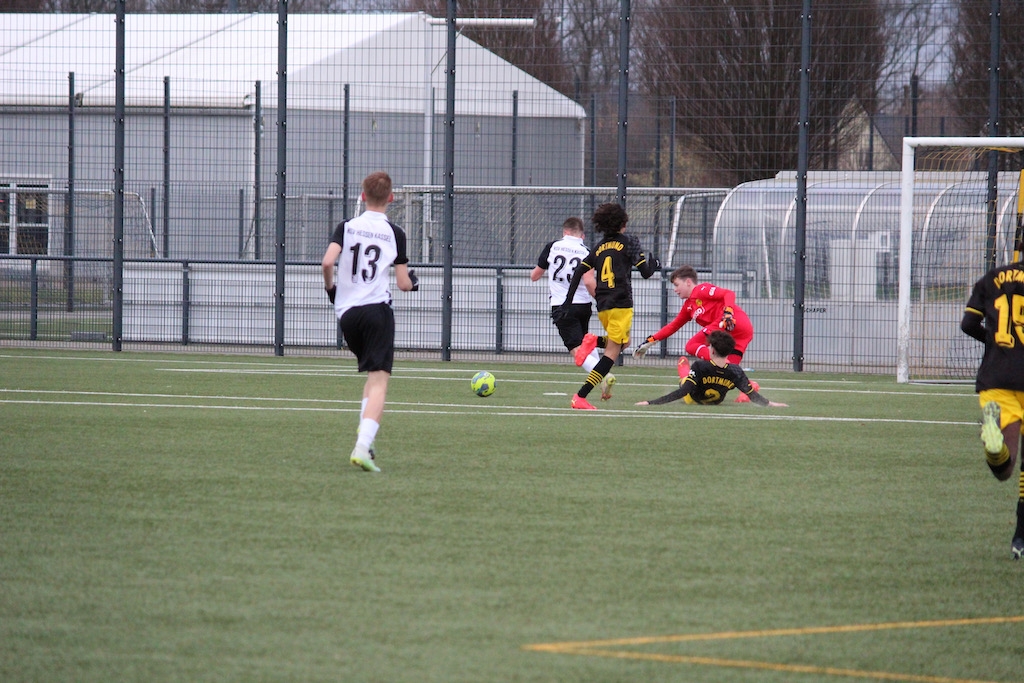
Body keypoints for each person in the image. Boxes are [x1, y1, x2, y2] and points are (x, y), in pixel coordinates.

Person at [321, 171, 417, 472]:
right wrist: (414, 282)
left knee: (371, 376)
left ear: (362, 196)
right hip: (377, 311)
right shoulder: (395, 233)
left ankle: (366, 437)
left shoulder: (347, 227)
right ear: (391, 198)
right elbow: (403, 283)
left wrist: (331, 289)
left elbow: (327, 262)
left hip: (348, 314)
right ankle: (362, 447)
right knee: (379, 381)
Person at [555, 202, 659, 410]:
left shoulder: (599, 246)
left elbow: (579, 271)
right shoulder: (630, 242)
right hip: (621, 304)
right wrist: (654, 264)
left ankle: (594, 340)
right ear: (622, 223)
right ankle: (580, 397)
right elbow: (646, 273)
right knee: (611, 354)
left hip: (603, 304)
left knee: (624, 343)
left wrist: (567, 301)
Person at [960, 257, 1024, 559]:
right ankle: (1020, 538)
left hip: (997, 378)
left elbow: (968, 324)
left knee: (1003, 470)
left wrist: (995, 344)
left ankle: (993, 445)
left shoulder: (993, 278)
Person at [531, 217, 616, 400]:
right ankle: (602, 381)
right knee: (586, 343)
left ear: (565, 232)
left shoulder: (553, 246)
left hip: (562, 305)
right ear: (582, 235)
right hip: (584, 305)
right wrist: (601, 300)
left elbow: (535, 275)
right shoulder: (587, 251)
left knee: (577, 349)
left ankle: (604, 374)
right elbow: (589, 281)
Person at [632, 265, 754, 389]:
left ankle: (714, 363)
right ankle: (750, 388)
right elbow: (673, 326)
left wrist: (728, 313)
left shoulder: (701, 290)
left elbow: (729, 293)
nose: (675, 289)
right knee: (727, 376)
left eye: (677, 285)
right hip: (739, 332)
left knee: (691, 345)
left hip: (730, 321)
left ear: (688, 282)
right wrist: (651, 340)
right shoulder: (688, 306)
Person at [635, 330, 787, 408]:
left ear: (712, 350)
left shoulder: (700, 366)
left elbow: (683, 392)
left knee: (684, 380)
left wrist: (650, 403)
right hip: (716, 402)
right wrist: (771, 404)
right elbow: (752, 395)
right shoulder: (736, 371)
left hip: (692, 400)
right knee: (748, 386)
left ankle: (683, 365)